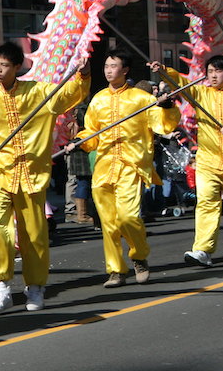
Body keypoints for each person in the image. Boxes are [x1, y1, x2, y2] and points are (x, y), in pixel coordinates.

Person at [0, 41, 90, 314]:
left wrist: (82, 74)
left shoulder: (38, 92)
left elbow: (67, 96)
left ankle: (35, 286)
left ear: (17, 68)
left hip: (32, 174)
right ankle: (1, 286)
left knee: (34, 235)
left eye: (4, 66)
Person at [69, 51, 180, 288]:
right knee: (108, 223)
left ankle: (139, 256)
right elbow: (91, 133)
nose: (109, 70)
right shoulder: (98, 100)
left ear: (125, 70)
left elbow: (164, 124)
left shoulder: (141, 99)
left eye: (114, 66)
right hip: (104, 167)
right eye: (106, 66)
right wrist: (80, 141)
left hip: (131, 165)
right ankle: (116, 270)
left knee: (128, 217)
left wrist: (168, 106)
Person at [150, 56, 223, 266]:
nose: (214, 75)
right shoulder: (200, 93)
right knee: (206, 203)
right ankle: (202, 250)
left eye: (218, 71)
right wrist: (164, 71)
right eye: (210, 71)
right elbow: (179, 85)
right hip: (208, 160)